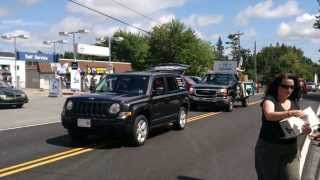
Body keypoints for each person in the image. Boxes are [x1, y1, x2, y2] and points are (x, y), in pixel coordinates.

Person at [255, 73, 311, 180]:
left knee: (292, 177)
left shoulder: (294, 102)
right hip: (269, 149)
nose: (289, 89)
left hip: (290, 150)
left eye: (291, 87)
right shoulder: (270, 100)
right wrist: (290, 113)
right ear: (277, 86)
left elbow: (296, 125)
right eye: (285, 86)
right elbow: (269, 115)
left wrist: (305, 129)